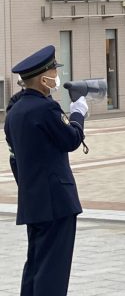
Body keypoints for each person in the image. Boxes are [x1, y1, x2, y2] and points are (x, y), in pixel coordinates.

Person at [4, 45, 89, 296]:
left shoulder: (14, 112)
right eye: (53, 70)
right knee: (53, 268)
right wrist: (78, 113)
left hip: (33, 200)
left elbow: (15, 159)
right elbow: (71, 139)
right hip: (56, 200)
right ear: (43, 78)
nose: (56, 75)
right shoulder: (46, 109)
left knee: (36, 265)